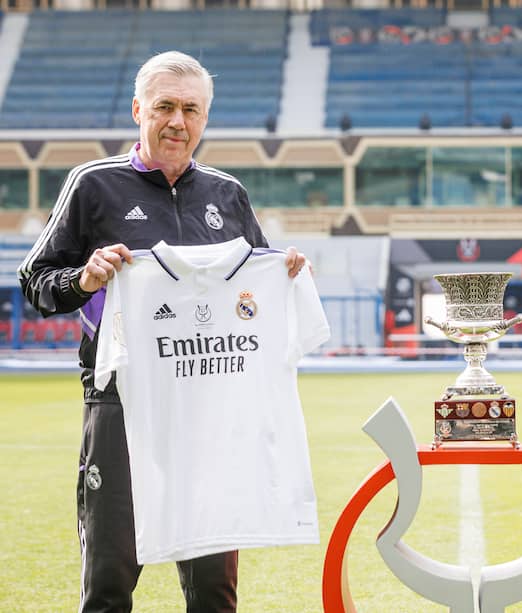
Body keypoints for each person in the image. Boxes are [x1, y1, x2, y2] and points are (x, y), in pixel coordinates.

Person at [17, 51, 307, 612]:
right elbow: (34, 281)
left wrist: (286, 273)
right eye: (164, 107)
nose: (178, 121)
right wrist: (85, 277)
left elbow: (253, 285)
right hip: (122, 401)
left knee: (215, 591)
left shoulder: (227, 193)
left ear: (205, 118)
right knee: (108, 580)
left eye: (191, 109)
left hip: (210, 406)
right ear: (137, 111)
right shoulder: (93, 184)